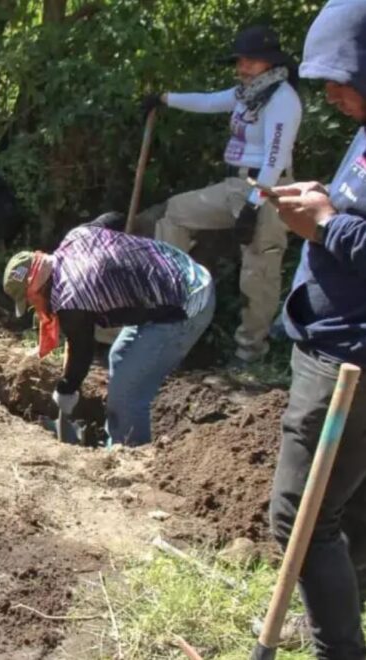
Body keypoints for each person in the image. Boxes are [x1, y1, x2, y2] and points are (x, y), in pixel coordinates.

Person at [264, 2, 366, 655]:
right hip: (333, 344)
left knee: (298, 519)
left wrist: (326, 224)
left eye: (341, 76)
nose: (328, 93)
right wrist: (321, 207)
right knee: (348, 511)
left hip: (348, 362)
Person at [145, 25, 302, 364]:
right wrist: (164, 98)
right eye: (240, 60)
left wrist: (254, 205)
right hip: (233, 186)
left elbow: (274, 158)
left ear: (270, 62)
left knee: (258, 270)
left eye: (250, 61)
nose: (242, 67)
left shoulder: (282, 98)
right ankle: (173, 307)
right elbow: (209, 100)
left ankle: (250, 352)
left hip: (267, 191)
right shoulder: (248, 93)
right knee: (174, 213)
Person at [2, 213, 216, 447]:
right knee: (118, 356)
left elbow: (82, 351)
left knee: (126, 395)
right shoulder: (77, 236)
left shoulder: (71, 301)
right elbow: (114, 217)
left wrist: (66, 391)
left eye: (29, 300)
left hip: (188, 304)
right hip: (181, 274)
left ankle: (129, 458)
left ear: (36, 289)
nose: (33, 306)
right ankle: (117, 438)